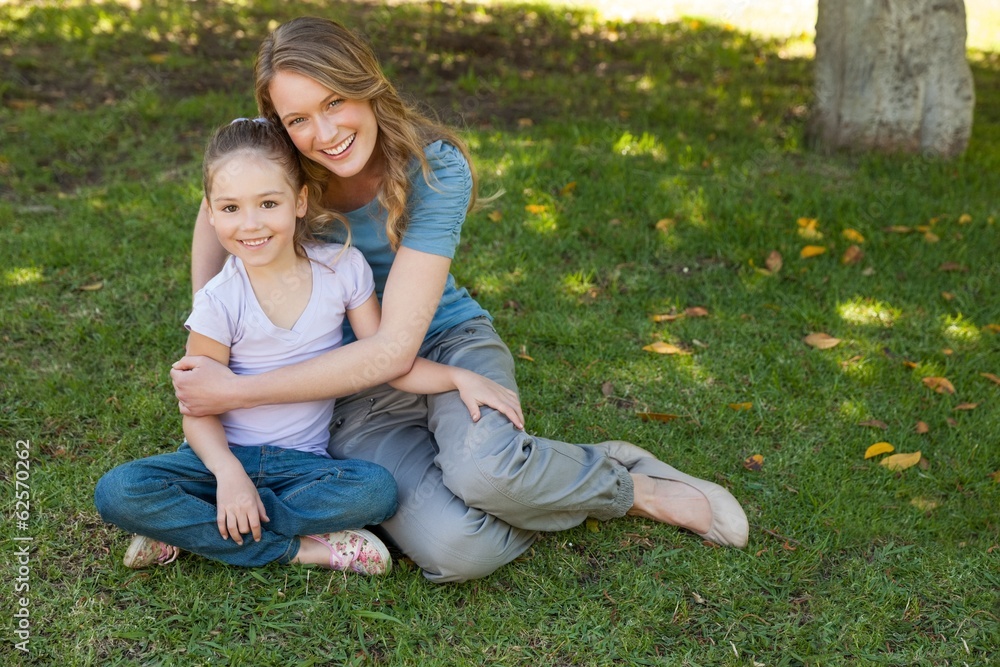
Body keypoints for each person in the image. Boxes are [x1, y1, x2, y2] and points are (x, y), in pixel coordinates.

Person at [172, 17, 749, 583]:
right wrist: (215, 314)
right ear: (278, 124)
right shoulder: (274, 158)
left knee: (486, 475)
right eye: (298, 118)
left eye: (335, 102)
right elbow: (214, 204)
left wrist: (236, 389)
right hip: (338, 380)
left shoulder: (434, 166)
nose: (323, 133)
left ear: (367, 85)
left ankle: (632, 485)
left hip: (444, 347)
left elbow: (395, 348)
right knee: (459, 549)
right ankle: (540, 473)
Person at [95, 117, 523, 574]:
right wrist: (228, 474)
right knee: (118, 490)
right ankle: (299, 548)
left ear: (300, 202)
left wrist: (456, 374)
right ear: (212, 212)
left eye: (267, 203)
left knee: (375, 490)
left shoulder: (343, 270)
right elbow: (198, 406)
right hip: (217, 459)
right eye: (231, 208)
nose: (251, 224)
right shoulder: (218, 300)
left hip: (305, 466)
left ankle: (192, 528)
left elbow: (386, 358)